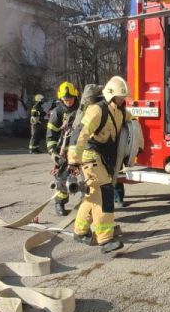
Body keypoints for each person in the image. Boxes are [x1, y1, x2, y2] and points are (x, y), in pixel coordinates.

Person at [68, 76, 129, 254]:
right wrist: (73, 159)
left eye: (123, 97)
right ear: (110, 95)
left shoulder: (120, 111)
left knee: (94, 194)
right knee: (104, 193)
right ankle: (105, 239)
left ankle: (80, 232)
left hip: (102, 158)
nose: (122, 100)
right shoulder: (97, 110)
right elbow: (80, 134)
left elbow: (132, 121)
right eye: (119, 97)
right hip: (89, 156)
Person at [46, 81, 80, 216]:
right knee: (61, 178)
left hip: (80, 149)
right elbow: (50, 136)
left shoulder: (81, 110)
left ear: (75, 97)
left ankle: (89, 205)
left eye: (70, 99)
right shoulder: (57, 112)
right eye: (65, 99)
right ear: (61, 99)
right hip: (63, 151)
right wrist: (53, 153)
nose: (68, 102)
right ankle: (59, 203)